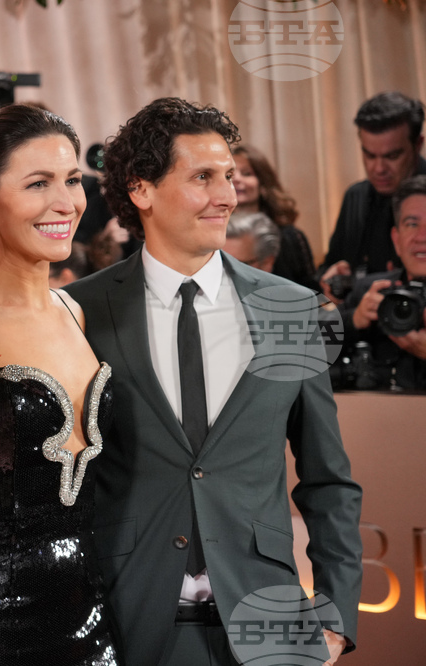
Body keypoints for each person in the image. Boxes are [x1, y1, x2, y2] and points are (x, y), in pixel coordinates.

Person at [64, 97, 362, 665]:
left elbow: (329, 481)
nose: (227, 194)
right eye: (203, 177)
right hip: (128, 624)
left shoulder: (295, 310)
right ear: (141, 190)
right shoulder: (78, 310)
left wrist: (335, 617)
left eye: (227, 175)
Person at [0, 103, 120, 665]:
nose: (64, 202)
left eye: (71, 179)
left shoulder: (75, 311)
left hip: (92, 615)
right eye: (37, 183)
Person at [320, 92, 426, 300]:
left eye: (392, 156)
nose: (378, 168)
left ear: (418, 144)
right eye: (369, 155)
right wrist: (331, 278)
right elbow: (328, 268)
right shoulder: (355, 197)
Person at [337, 174, 426, 390]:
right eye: (412, 224)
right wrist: (353, 321)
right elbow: (304, 344)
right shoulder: (372, 291)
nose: (422, 236)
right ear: (396, 239)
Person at [231, 144, 316, 289]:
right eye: (229, 175)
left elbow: (309, 289)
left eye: (246, 174)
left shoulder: (290, 237)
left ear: (263, 184)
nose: (236, 179)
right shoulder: (211, 236)